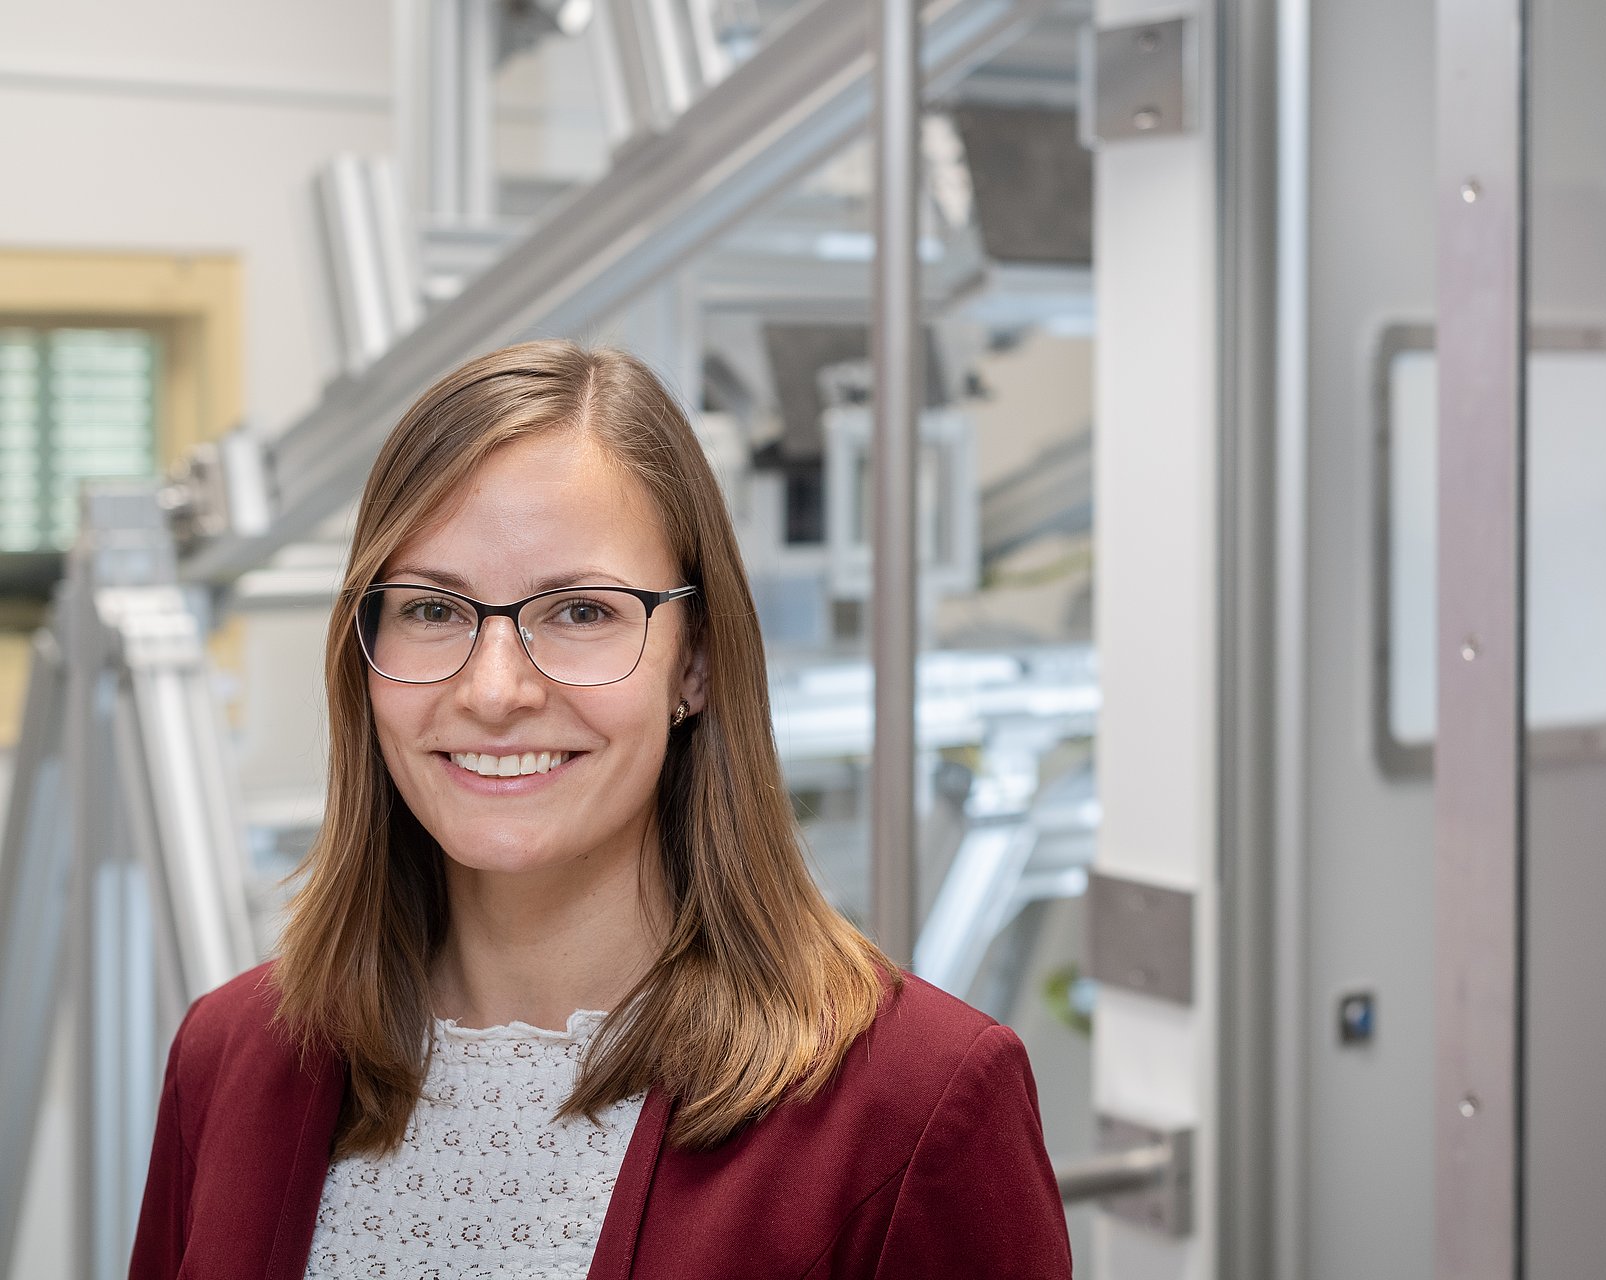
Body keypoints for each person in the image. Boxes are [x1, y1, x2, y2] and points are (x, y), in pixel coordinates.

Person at [129, 341, 1072, 1279]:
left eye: (581, 611)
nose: (494, 691)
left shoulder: (917, 1104)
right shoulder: (229, 1056)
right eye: (432, 610)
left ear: (694, 663)